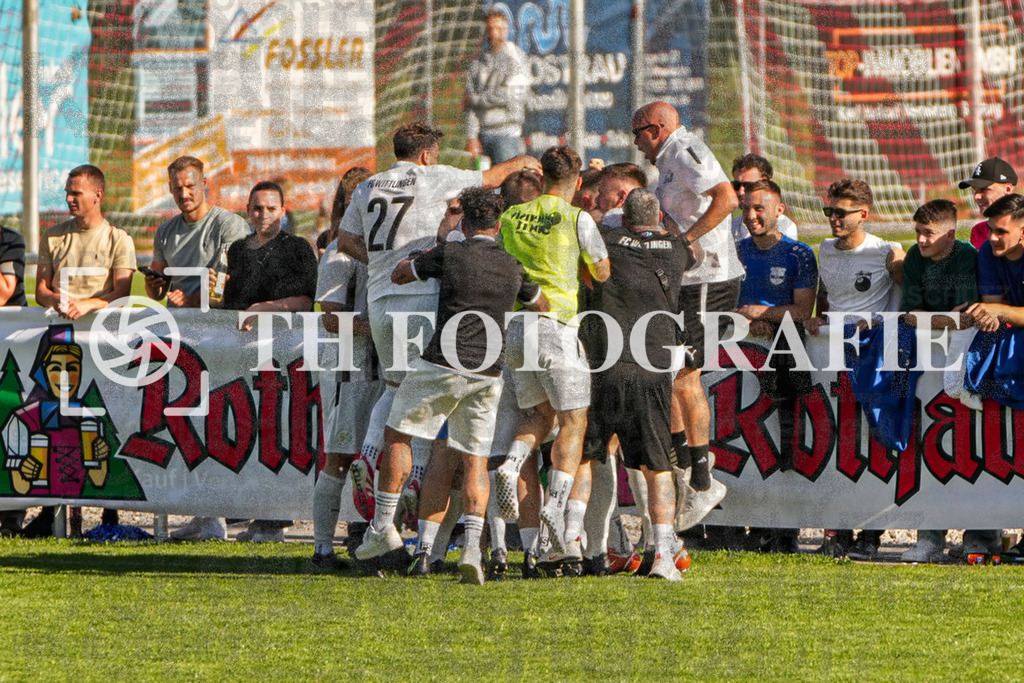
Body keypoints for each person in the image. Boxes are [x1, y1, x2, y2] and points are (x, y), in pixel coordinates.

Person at [336, 122, 540, 557]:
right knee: (434, 413)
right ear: (428, 155)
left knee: (398, 396)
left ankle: (374, 467)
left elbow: (345, 238)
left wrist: (378, 259)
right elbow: (489, 181)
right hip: (421, 302)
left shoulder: (368, 185)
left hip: (380, 301)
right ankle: (407, 498)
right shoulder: (435, 176)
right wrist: (523, 161)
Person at [377, 187, 548, 583]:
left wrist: (428, 251)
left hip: (443, 362)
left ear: (464, 221)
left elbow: (400, 274)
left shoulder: (451, 253)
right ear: (499, 224)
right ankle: (472, 549)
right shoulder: (512, 264)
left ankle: (390, 532)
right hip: (488, 371)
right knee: (474, 460)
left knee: (399, 434)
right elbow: (540, 303)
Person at [491, 145, 610, 564]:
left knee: (539, 416)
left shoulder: (509, 216)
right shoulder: (576, 217)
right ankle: (555, 509)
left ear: (540, 179)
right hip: (557, 326)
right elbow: (602, 270)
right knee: (574, 421)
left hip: (514, 329)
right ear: (577, 183)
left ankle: (512, 461)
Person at [631, 101, 738, 533]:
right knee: (669, 372)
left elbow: (727, 197)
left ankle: (702, 478)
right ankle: (684, 476)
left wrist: (686, 240)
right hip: (689, 279)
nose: (635, 142)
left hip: (710, 277)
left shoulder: (685, 148)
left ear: (654, 130)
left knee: (683, 377)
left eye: (636, 132)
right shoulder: (669, 160)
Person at [584, 188, 696, 581]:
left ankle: (571, 545)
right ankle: (663, 552)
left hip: (606, 364)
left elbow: (590, 250)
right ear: (659, 215)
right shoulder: (676, 246)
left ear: (624, 218)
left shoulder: (609, 240)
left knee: (587, 455)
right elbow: (687, 249)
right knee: (656, 463)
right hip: (653, 365)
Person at [144, 156, 249, 542]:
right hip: (180, 340)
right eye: (177, 188)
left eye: (191, 186)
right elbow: (155, 282)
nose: (184, 194)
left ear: (206, 185)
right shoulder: (166, 231)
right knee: (187, 423)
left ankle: (236, 511)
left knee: (224, 422)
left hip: (221, 336)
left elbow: (234, 284)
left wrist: (193, 300)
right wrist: (156, 285)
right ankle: (206, 514)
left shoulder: (228, 225)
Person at [807, 178, 904, 558]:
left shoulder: (886, 252)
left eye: (841, 213)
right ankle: (839, 530)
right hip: (832, 354)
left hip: (875, 356)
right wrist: (817, 317)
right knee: (838, 439)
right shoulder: (824, 250)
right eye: (829, 211)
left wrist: (876, 321)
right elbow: (826, 295)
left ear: (863, 215)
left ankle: (873, 532)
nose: (833, 219)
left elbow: (905, 298)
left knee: (875, 438)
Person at [221, 180, 318, 542]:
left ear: (284, 210)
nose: (263, 215)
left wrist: (267, 309)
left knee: (277, 430)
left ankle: (275, 516)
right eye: (257, 208)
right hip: (240, 351)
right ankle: (246, 507)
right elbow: (233, 303)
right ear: (248, 211)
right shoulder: (237, 250)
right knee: (240, 426)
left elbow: (307, 301)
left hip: (284, 351)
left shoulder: (297, 248)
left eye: (271, 208)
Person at [896, 199, 985, 563]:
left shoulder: (966, 256)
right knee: (929, 444)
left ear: (950, 233)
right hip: (926, 362)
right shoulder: (916, 259)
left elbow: (966, 319)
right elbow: (912, 315)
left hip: (966, 361)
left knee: (975, 444)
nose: (919, 240)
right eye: (917, 232)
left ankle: (982, 536)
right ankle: (929, 536)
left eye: (928, 233)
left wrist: (930, 320)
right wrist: (940, 320)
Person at [734, 179, 817, 554]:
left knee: (784, 435)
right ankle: (737, 525)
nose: (750, 216)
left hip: (784, 357)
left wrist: (767, 314)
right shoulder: (734, 252)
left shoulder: (799, 254)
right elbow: (721, 305)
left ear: (779, 210)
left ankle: (784, 529)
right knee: (740, 436)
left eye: (759, 209)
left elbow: (803, 311)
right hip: (738, 355)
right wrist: (748, 321)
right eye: (746, 208)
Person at [310, 229, 383, 568]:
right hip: (350, 371)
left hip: (390, 368)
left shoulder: (394, 247)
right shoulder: (340, 253)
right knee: (339, 458)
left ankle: (378, 544)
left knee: (388, 458)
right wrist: (379, 327)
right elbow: (329, 316)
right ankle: (323, 549)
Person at [36, 165, 136, 321]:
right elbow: (41, 290)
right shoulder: (52, 236)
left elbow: (122, 295)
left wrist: (86, 305)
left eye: (76, 193)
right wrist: (54, 299)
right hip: (59, 328)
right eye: (68, 193)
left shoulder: (120, 239)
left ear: (98, 195)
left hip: (101, 331)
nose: (68, 199)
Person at [464, 8, 529, 165]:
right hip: (482, 136)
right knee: (482, 188)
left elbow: (511, 94)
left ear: (506, 30)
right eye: (490, 28)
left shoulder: (516, 57)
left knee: (508, 187)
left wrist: (476, 100)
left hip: (508, 134)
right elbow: (468, 103)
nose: (493, 33)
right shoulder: (478, 62)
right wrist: (471, 136)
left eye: (498, 28)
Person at [729, 153, 798, 244]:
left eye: (748, 185)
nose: (741, 192)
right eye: (737, 185)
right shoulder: (732, 227)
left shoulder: (783, 226)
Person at [958, 157, 1017, 249]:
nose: (976, 196)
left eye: (984, 189)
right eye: (975, 190)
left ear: (1007, 189)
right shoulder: (978, 231)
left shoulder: (1020, 227)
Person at [316, 167, 373, 258]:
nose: (354, 213)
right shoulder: (329, 238)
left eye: (361, 205)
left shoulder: (382, 236)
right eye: (349, 206)